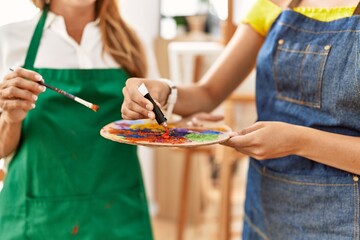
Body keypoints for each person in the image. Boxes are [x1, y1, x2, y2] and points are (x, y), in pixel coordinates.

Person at [122, 0, 360, 239]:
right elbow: (209, 93)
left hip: (342, 225)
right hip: (265, 213)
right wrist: (165, 90)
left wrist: (298, 141)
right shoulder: (273, 5)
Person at [0, 0, 154, 239]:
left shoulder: (132, 42)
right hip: (36, 221)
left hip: (118, 216)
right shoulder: (8, 39)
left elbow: (153, 125)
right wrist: (11, 118)